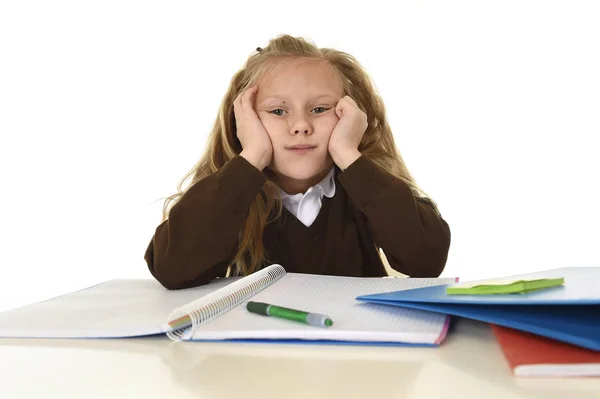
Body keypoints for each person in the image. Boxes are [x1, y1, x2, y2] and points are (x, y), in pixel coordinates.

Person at [144, 34, 451, 290]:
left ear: (349, 114)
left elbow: (426, 259)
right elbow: (172, 267)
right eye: (278, 111)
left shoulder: (368, 190)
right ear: (244, 120)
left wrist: (348, 153)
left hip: (356, 357)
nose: (300, 125)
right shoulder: (229, 196)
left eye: (319, 109)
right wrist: (251, 159)